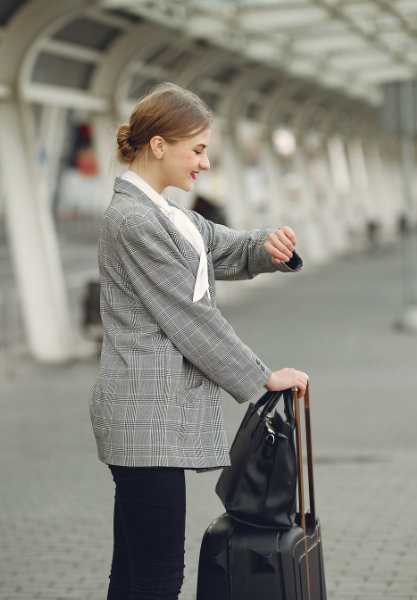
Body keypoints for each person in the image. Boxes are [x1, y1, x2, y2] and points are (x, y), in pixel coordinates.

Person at [89, 82, 309, 600]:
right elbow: (189, 317)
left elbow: (225, 248)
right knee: (157, 576)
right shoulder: (133, 220)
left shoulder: (169, 216)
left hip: (149, 421)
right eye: (199, 149)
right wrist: (261, 377)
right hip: (144, 423)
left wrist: (269, 248)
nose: (205, 164)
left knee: (137, 573)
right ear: (159, 144)